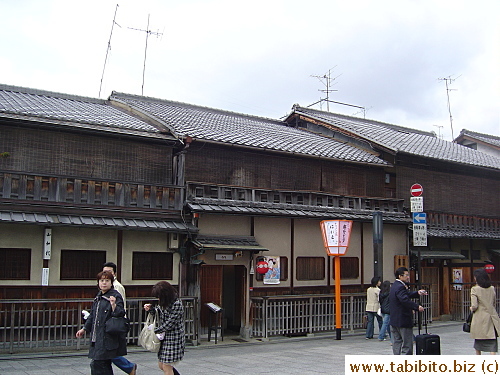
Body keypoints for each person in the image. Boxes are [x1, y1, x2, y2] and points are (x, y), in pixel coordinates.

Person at [76, 271, 127, 375]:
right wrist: (84, 329)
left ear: (111, 283)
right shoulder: (98, 297)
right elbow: (93, 315)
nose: (104, 283)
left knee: (99, 364)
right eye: (101, 280)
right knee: (99, 364)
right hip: (97, 337)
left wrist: (113, 305)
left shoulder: (115, 296)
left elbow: (121, 313)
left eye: (107, 280)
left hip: (108, 338)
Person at [102, 262, 137, 375]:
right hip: (108, 322)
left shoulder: (116, 287)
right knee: (107, 350)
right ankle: (129, 367)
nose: (106, 274)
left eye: (109, 272)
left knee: (111, 350)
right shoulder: (106, 285)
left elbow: (120, 307)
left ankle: (129, 367)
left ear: (114, 273)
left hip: (115, 322)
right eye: (104, 272)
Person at [144, 281, 185, 375]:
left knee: (166, 366)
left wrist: (155, 331)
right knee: (161, 364)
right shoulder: (163, 302)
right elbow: (158, 314)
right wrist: (151, 309)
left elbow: (170, 323)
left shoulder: (176, 304)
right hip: (164, 336)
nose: (158, 298)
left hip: (174, 338)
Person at [389, 267, 427, 355]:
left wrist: (417, 293)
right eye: (406, 275)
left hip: (394, 319)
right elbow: (404, 300)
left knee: (397, 342)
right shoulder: (401, 287)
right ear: (400, 276)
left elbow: (405, 295)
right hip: (403, 318)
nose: (408, 277)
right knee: (407, 344)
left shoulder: (394, 285)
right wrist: (417, 307)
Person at [470, 268, 500, 355]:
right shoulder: (492, 288)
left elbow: (475, 306)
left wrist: (471, 308)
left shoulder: (475, 289)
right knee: (492, 343)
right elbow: (494, 302)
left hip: (480, 318)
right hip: (491, 317)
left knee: (478, 344)